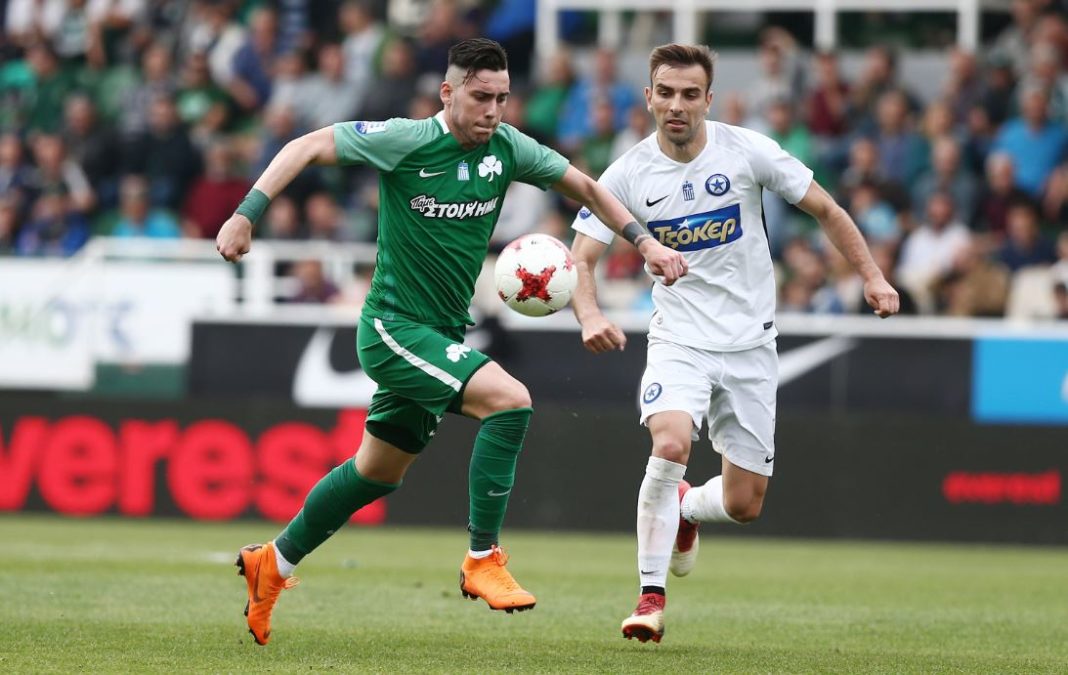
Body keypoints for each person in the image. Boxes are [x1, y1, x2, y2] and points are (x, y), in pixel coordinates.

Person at [214, 38, 687, 646]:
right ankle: (482, 558)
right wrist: (246, 213)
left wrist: (644, 243)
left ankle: (272, 563)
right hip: (392, 329)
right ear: (448, 92)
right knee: (510, 401)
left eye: (502, 98)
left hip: (440, 333)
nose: (493, 110)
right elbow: (304, 145)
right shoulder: (404, 141)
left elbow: (589, 189)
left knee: (375, 473)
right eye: (481, 96)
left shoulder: (508, 148)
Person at [569, 44, 899, 644]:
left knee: (745, 504)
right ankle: (649, 598)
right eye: (666, 92)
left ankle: (688, 508)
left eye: (689, 94)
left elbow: (826, 209)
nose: (676, 105)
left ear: (708, 100)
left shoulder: (747, 151)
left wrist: (872, 276)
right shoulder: (626, 174)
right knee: (670, 442)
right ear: (648, 97)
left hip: (751, 344)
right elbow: (582, 257)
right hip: (679, 339)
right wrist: (588, 314)